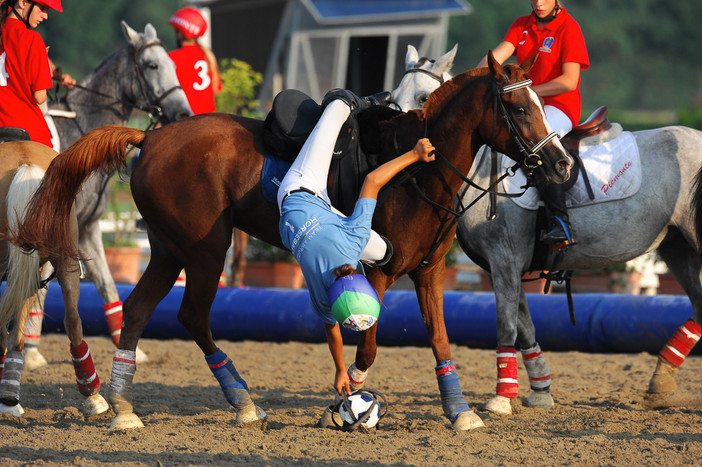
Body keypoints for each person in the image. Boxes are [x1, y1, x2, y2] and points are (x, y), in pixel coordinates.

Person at [277, 89, 436, 396]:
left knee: (338, 105)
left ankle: (355, 100)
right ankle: (357, 102)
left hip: (301, 185)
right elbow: (332, 330)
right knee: (385, 252)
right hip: (297, 221)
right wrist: (340, 369)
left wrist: (414, 154)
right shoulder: (323, 290)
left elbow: (372, 180)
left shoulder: (354, 238)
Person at [478, 0, 589, 245]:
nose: (539, 3)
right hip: (523, 107)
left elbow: (570, 81)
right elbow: (492, 61)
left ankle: (560, 223)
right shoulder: (521, 25)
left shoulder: (569, 27)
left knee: (540, 147)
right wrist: (469, 81)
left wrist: (530, 92)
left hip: (559, 106)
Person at [0, 0, 65, 147]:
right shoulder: (33, 39)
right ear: (22, 3)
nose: (45, 16)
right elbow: (40, 97)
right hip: (29, 131)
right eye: (42, 8)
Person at [167, 6, 221, 115]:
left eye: (176, 30)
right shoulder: (208, 56)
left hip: (187, 121)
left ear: (180, 33)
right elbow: (217, 90)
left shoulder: (172, 57)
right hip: (210, 119)